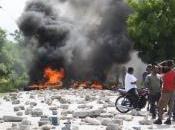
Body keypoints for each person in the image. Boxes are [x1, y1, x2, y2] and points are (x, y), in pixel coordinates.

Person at [154, 60, 175, 125]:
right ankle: (168, 120)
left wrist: (164, 62)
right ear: (172, 65)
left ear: (167, 65)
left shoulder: (164, 72)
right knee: (170, 106)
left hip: (166, 91)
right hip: (173, 91)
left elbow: (157, 66)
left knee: (160, 106)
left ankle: (159, 119)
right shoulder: (174, 72)